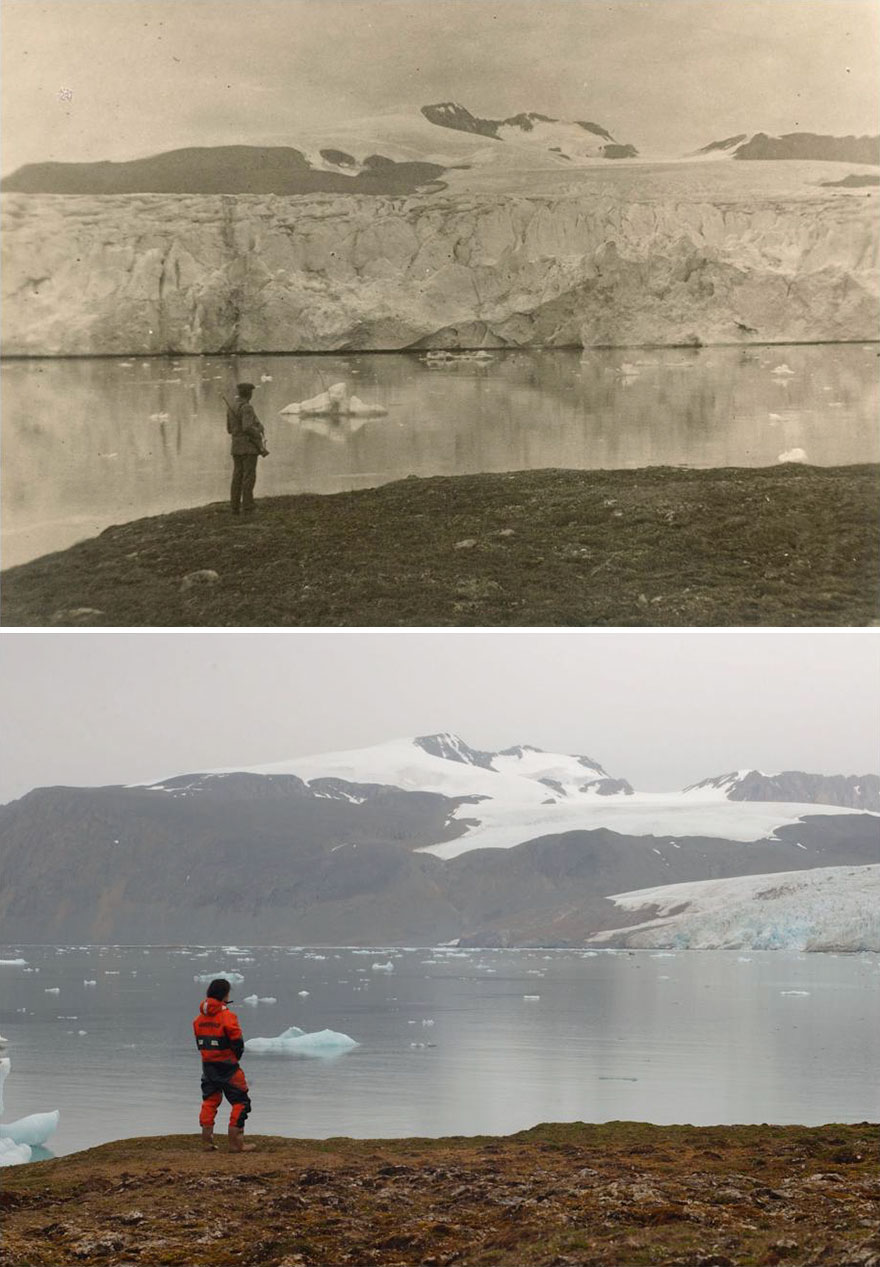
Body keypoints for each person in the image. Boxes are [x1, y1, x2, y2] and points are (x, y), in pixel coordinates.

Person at [193, 978, 255, 1152]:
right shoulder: (228, 1016)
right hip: (228, 1066)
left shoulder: (198, 1019)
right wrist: (234, 1058)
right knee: (241, 1101)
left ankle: (206, 1142)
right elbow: (237, 1042)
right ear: (224, 994)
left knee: (210, 1100)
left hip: (208, 1066)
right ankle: (236, 1143)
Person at [227, 382, 269, 515]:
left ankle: (234, 506)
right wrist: (258, 432)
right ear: (249, 394)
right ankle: (248, 505)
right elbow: (247, 427)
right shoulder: (247, 407)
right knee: (249, 476)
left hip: (236, 447)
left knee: (237, 476)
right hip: (249, 446)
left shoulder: (231, 407)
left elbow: (229, 429)